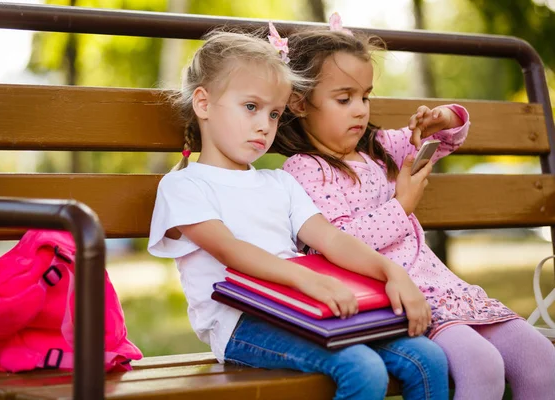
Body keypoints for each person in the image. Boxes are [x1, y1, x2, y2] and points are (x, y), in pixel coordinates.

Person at [148, 25, 449, 400]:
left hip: (304, 306)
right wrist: (303, 280)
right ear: (203, 104)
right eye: (251, 107)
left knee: (428, 359)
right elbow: (230, 251)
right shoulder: (184, 186)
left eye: (274, 114)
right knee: (362, 368)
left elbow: (332, 239)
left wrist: (391, 272)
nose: (264, 125)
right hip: (242, 323)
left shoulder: (280, 183)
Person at [276, 13, 555, 400]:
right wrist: (401, 204)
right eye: (344, 99)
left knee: (543, 361)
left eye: (365, 96)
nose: (360, 109)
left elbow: (444, 139)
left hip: (446, 288)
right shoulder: (305, 170)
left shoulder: (380, 149)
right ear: (299, 103)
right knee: (481, 366)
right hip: (393, 298)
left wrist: (445, 117)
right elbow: (337, 244)